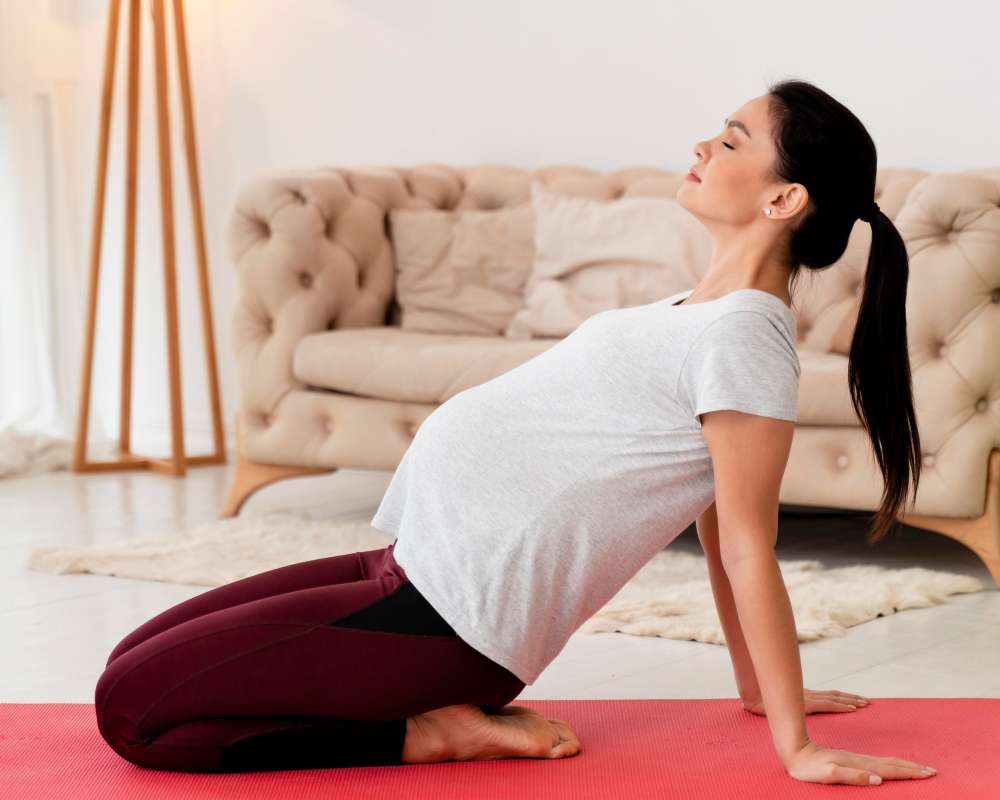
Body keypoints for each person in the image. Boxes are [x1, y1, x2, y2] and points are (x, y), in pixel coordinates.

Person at [95, 78, 936, 785]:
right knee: (129, 659)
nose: (704, 146)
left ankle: (430, 734)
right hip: (407, 566)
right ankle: (430, 713)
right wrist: (752, 689)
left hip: (453, 621)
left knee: (133, 716)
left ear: (783, 198)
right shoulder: (698, 312)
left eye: (731, 141)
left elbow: (749, 544)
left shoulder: (746, 336)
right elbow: (715, 526)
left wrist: (794, 744)